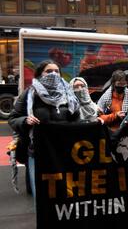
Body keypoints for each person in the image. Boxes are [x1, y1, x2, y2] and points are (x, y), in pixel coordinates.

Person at [8, 60, 80, 199]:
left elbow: (77, 118)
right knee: (41, 195)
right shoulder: (30, 93)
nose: (53, 74)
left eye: (56, 71)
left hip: (63, 151)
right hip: (38, 151)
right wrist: (25, 120)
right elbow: (13, 118)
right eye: (48, 71)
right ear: (40, 74)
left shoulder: (68, 93)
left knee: (63, 192)